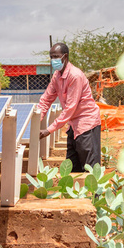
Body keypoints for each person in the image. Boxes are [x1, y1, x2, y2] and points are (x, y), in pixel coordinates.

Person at [38, 42, 101, 172]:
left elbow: (70, 108)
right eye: (51, 57)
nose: (53, 60)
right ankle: (76, 193)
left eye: (56, 56)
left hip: (86, 123)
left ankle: (96, 193)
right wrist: (35, 120)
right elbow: (46, 99)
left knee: (90, 167)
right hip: (73, 125)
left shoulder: (75, 75)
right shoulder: (57, 75)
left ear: (65, 57)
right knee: (72, 167)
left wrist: (48, 130)